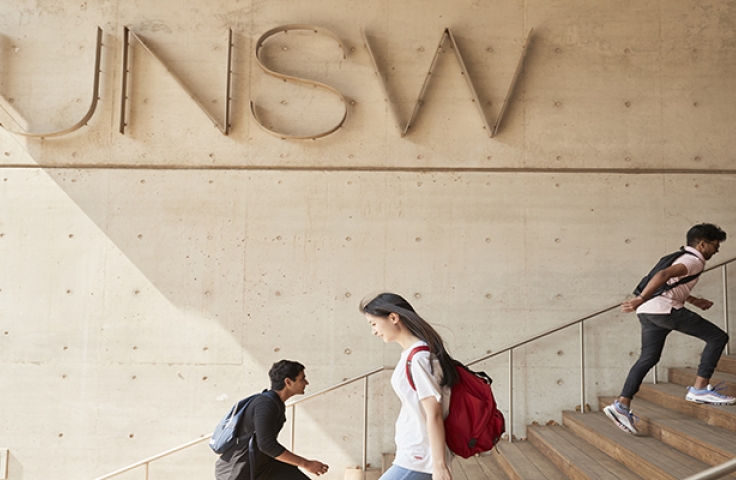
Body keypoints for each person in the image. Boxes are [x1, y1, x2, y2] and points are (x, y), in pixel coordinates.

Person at [604, 223, 734, 436]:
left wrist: (693, 299)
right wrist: (640, 299)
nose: (717, 250)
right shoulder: (693, 260)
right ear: (702, 244)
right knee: (718, 337)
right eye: (715, 245)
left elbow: (671, 282)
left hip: (648, 313)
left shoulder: (679, 256)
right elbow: (663, 276)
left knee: (648, 358)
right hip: (663, 310)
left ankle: (621, 405)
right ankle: (700, 388)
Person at [360, 293, 458, 480]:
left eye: (373, 324)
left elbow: (434, 413)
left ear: (393, 317)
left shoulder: (420, 358)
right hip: (414, 454)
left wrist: (439, 466)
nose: (373, 331)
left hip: (420, 457)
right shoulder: (412, 354)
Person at [215, 360, 329, 480]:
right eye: (302, 379)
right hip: (238, 471)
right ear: (288, 382)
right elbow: (266, 444)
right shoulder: (266, 404)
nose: (306, 382)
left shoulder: (274, 403)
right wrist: (306, 464)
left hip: (263, 466)